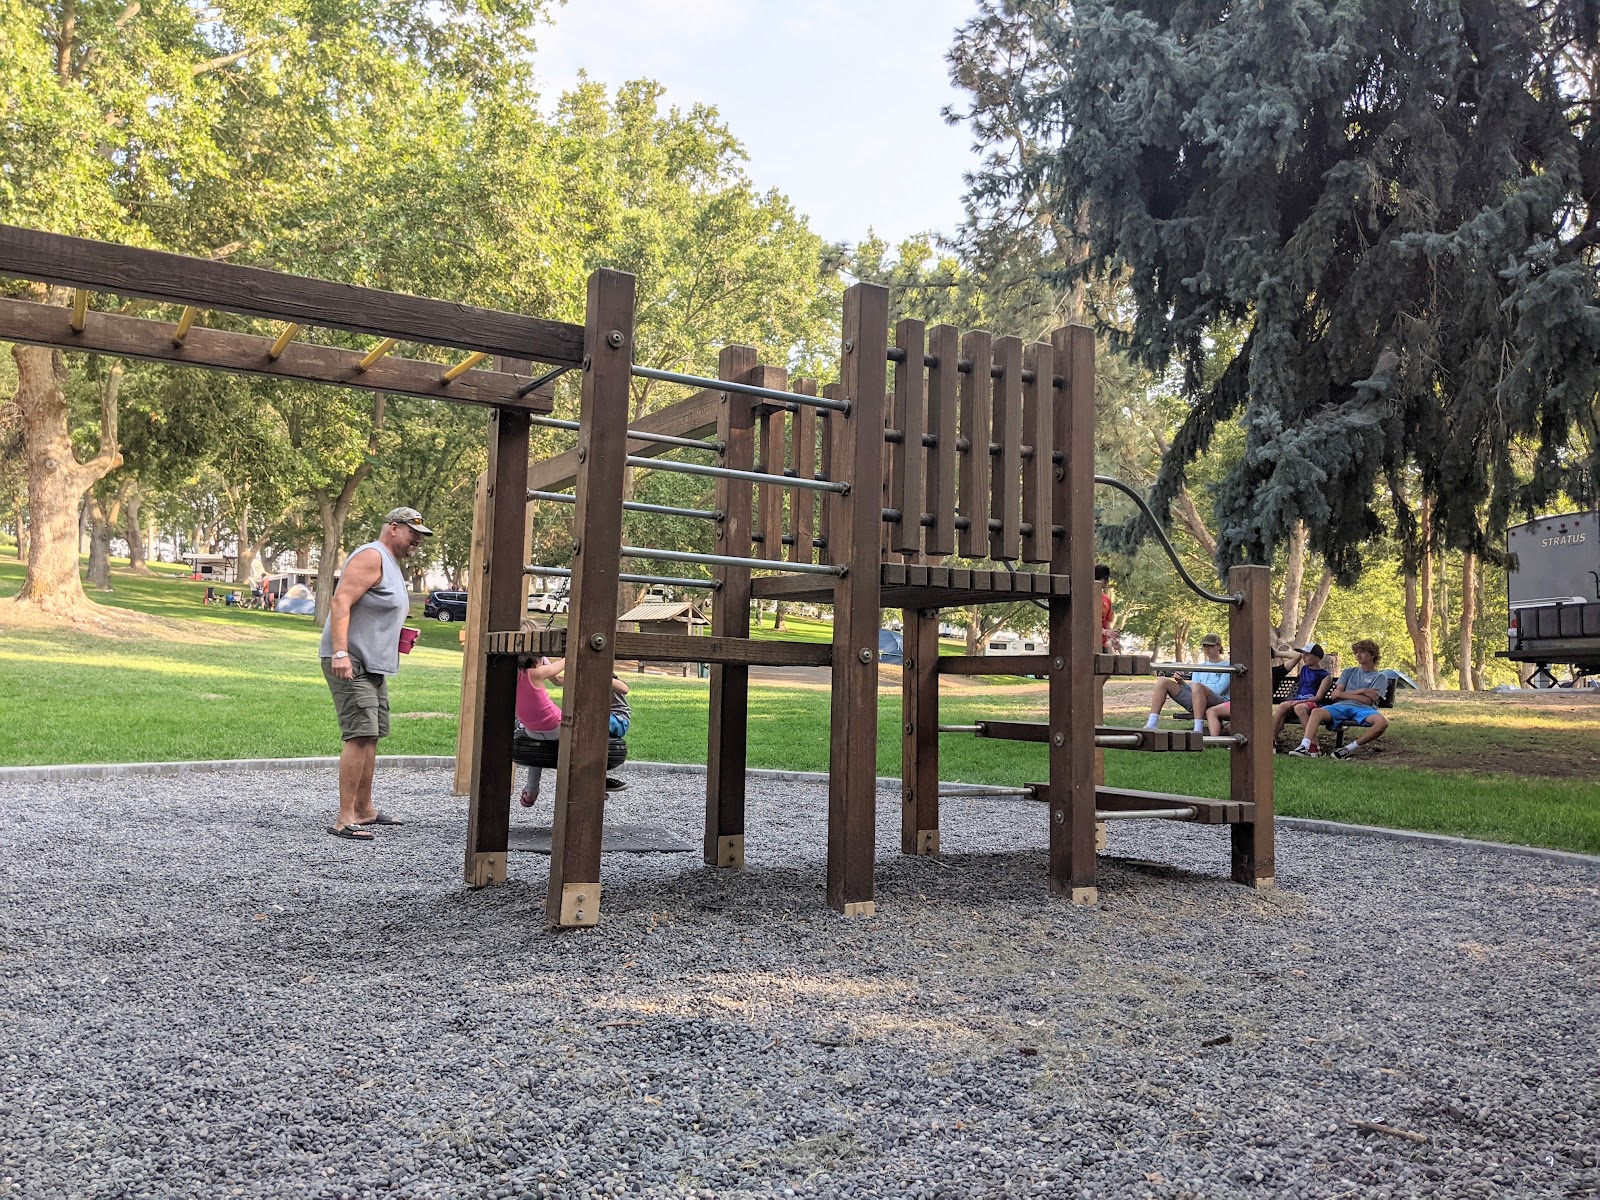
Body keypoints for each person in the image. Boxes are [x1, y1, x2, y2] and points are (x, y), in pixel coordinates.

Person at [320, 506, 432, 840]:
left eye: (421, 536)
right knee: (358, 734)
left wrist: (399, 635)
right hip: (351, 660)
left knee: (371, 734)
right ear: (393, 528)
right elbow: (341, 602)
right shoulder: (372, 556)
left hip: (373, 664)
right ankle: (344, 819)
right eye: (413, 533)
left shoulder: (391, 563)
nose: (417, 541)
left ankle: (364, 809)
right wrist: (341, 653)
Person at [1289, 639, 1389, 759]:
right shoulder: (1348, 672)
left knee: (1382, 722)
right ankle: (1304, 746)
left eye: (1362, 652)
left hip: (1363, 709)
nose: (1358, 655)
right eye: (1356, 652)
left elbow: (1367, 701)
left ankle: (1348, 749)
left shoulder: (1380, 677)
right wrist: (1361, 691)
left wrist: (1343, 694)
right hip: (1340, 706)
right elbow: (1335, 695)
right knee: (1316, 712)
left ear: (1373, 655)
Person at [1145, 633, 1231, 733]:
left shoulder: (1228, 666)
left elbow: (1219, 689)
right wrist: (1182, 683)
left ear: (1219, 646)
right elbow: (1194, 689)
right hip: (1197, 699)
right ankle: (1151, 723)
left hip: (1219, 702)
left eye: (1211, 646)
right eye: (1205, 646)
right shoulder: (1199, 667)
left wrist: (1198, 687)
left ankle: (1197, 729)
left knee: (1197, 686)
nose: (1207, 648)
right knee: (1163, 681)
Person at [515, 642, 565, 808]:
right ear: (538, 659)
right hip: (557, 728)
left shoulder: (515, 674)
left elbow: (557, 681)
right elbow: (567, 662)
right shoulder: (537, 673)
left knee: (537, 751)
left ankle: (531, 789)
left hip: (532, 731)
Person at [1272, 644, 1333, 749]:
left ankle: (1313, 744)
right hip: (1298, 701)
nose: (1303, 657)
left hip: (1313, 704)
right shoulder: (1304, 669)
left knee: (1299, 707)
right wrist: (1297, 701)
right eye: (1303, 654)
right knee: (1283, 706)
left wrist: (1300, 702)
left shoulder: (1326, 676)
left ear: (1317, 657)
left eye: (1307, 655)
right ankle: (1271, 740)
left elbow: (1318, 697)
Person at [1095, 564, 1116, 652]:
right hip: (1090, 643)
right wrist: (1103, 631)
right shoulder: (1088, 597)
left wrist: (1113, 639)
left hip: (1103, 644)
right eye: (1105, 578)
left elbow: (1107, 623)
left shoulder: (1107, 599)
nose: (1107, 581)